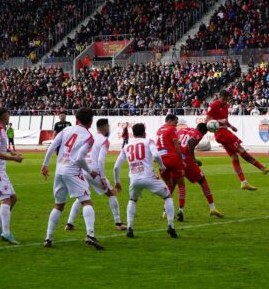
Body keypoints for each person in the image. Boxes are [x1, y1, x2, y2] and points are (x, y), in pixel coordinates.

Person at [41, 107, 104, 250]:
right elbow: (80, 158)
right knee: (87, 201)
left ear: (77, 119)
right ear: (91, 121)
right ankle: (90, 235)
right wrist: (90, 171)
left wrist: (45, 165)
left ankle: (48, 238)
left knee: (59, 205)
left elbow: (52, 146)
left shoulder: (66, 130)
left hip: (60, 170)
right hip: (72, 170)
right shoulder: (88, 137)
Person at [113, 123, 178, 239]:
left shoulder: (126, 146)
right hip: (149, 177)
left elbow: (116, 167)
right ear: (144, 133)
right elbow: (157, 156)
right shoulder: (148, 141)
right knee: (168, 196)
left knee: (132, 200)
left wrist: (117, 181)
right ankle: (171, 226)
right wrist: (162, 166)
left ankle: (129, 228)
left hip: (134, 179)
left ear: (133, 134)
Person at [206, 90, 269, 190]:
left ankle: (243, 182)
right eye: (223, 99)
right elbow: (207, 120)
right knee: (241, 150)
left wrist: (231, 126)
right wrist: (219, 121)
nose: (225, 101)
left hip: (224, 131)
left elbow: (225, 120)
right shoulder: (214, 105)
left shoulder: (226, 106)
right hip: (221, 133)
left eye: (226, 99)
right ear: (219, 97)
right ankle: (262, 167)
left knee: (234, 157)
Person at [65, 118, 126, 231]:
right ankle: (118, 223)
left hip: (83, 170)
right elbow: (101, 160)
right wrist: (102, 177)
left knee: (82, 197)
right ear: (104, 127)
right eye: (108, 126)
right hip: (93, 172)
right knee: (111, 194)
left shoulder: (90, 138)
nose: (108, 128)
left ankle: (69, 224)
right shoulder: (104, 140)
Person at [0, 107, 24, 245]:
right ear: (4, 116)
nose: (9, 115)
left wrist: (11, 151)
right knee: (6, 200)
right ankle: (6, 233)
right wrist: (14, 159)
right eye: (8, 113)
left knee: (13, 199)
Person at [177, 123, 223, 218]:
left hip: (176, 158)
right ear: (204, 131)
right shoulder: (198, 133)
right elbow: (190, 142)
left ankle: (168, 212)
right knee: (202, 180)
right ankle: (212, 208)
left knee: (174, 184)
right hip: (186, 161)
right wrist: (193, 159)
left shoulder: (184, 130)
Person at [156, 114, 187, 221]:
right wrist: (181, 160)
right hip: (173, 158)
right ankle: (181, 210)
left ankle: (165, 211)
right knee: (181, 184)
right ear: (169, 120)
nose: (176, 124)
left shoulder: (159, 130)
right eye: (175, 122)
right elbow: (176, 145)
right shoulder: (172, 129)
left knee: (169, 185)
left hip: (161, 160)